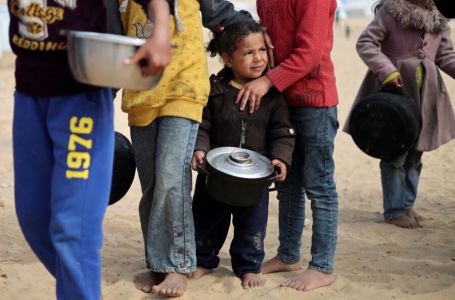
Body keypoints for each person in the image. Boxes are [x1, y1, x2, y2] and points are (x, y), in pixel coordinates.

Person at [8, 0, 171, 299]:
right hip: (29, 94)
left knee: (73, 229)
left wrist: (160, 30)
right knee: (34, 217)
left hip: (80, 96)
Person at [118, 0, 254, 297]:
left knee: (172, 178)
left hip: (184, 88)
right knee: (152, 185)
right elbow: (113, 38)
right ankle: (158, 263)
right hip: (140, 93)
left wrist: (255, 34)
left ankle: (178, 265)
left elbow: (221, 15)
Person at [235, 0, 340, 292]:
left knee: (319, 185)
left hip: (315, 101)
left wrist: (267, 82)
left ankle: (321, 266)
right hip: (282, 102)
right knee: (287, 184)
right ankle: (288, 255)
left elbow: (310, 53)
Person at [189, 21, 295, 289]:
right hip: (215, 175)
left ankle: (248, 267)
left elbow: (283, 132)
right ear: (227, 59)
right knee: (206, 219)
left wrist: (280, 158)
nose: (258, 58)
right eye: (248, 53)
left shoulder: (273, 97)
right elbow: (202, 125)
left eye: (261, 49)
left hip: (254, 180)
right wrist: (200, 149)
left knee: (252, 225)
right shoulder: (216, 91)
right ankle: (203, 260)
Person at [344, 0, 455, 228]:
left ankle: (406, 204)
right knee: (395, 155)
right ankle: (394, 210)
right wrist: (387, 70)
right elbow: (366, 43)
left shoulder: (439, 18)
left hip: (426, 96)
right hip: (394, 96)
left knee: (416, 154)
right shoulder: (390, 11)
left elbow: (445, 56)